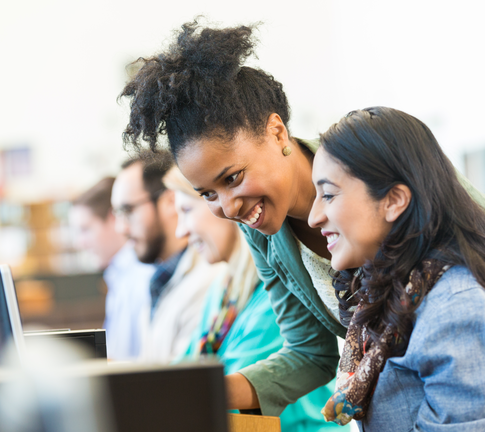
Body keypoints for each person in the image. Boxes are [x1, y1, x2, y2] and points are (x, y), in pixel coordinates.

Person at [119, 21, 485, 417]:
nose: (228, 208)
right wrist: (190, 391)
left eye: (233, 178)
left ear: (276, 133)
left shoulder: (377, 170)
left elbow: (483, 303)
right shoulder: (264, 230)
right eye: (207, 195)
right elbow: (310, 354)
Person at [309, 107, 485, 429]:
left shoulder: (461, 309)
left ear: (394, 200)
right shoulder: (407, 292)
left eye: (328, 194)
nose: (314, 216)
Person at [164, 166, 343, 431]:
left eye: (187, 211)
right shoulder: (223, 292)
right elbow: (184, 371)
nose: (180, 231)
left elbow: (227, 395)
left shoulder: (275, 296)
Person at [111, 149, 223, 363]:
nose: (121, 227)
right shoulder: (160, 278)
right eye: (117, 214)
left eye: (128, 211)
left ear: (169, 201)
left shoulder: (208, 279)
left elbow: (183, 379)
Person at [70, 177, 156, 361]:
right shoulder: (119, 275)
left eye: (85, 229)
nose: (80, 243)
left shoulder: (141, 277)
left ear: (112, 218)